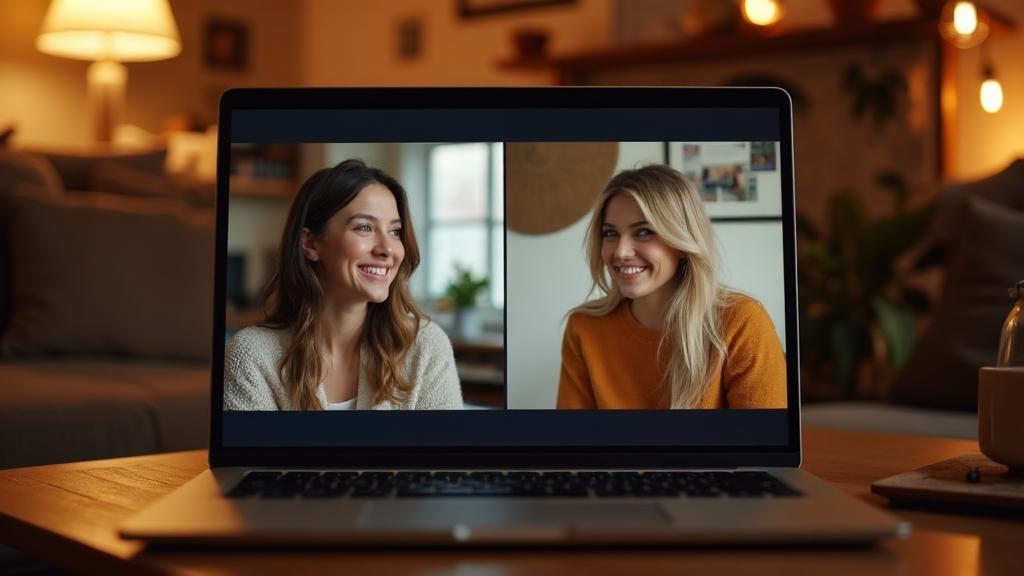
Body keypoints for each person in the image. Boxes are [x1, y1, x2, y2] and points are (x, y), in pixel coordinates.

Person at [224, 159, 462, 410]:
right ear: (311, 244)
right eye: (365, 227)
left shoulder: (426, 346)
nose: (387, 249)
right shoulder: (252, 355)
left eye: (394, 231)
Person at [557, 165, 786, 409]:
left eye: (643, 232)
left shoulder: (742, 323)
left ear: (683, 244)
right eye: (610, 233)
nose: (621, 252)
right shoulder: (583, 328)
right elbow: (573, 443)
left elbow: (762, 443)